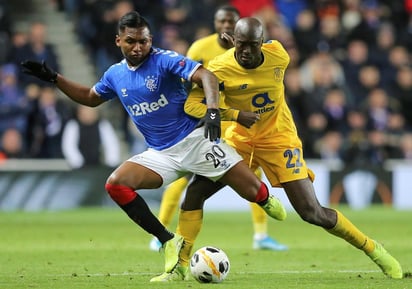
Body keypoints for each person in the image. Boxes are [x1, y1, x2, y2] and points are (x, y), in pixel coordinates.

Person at [20, 11, 287, 281]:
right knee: (116, 184)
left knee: (256, 193)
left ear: (151, 40)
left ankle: (265, 198)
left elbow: (207, 76)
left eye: (143, 42)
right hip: (162, 154)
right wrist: (54, 78)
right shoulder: (115, 74)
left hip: (197, 141)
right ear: (118, 41)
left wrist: (214, 111)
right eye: (131, 41)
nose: (137, 47)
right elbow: (90, 98)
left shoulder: (164, 60)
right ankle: (167, 240)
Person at [152, 17, 403, 281]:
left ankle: (374, 249)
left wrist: (233, 52)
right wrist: (234, 114)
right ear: (233, 42)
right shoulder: (218, 68)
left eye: (252, 45)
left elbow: (260, 53)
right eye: (241, 45)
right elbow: (192, 105)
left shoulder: (279, 55)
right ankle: (178, 267)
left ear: (263, 44)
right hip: (240, 141)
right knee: (195, 192)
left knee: (312, 212)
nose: (246, 51)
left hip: (279, 139)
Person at [149, 4, 287, 252]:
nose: (225, 26)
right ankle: (160, 233)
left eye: (230, 22)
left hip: (234, 124)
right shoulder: (201, 48)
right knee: (183, 179)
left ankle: (261, 235)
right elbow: (188, 81)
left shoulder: (254, 52)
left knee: (251, 175)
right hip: (208, 119)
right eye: (221, 21)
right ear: (215, 24)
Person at [61, 105, 121, 169]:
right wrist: (78, 163)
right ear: (79, 113)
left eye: (91, 112)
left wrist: (111, 164)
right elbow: (69, 146)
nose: (88, 115)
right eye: (85, 112)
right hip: (78, 167)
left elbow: (111, 144)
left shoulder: (103, 125)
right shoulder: (73, 125)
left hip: (97, 164)